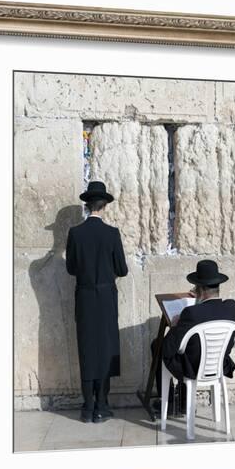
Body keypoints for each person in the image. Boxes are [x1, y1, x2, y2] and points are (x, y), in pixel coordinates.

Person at [66, 181, 128, 423]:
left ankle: (87, 406)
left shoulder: (75, 233)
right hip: (106, 298)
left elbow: (71, 268)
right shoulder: (112, 234)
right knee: (106, 348)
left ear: (87, 205)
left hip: (84, 297)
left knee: (87, 347)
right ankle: (102, 405)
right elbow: (122, 269)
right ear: (104, 206)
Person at [151, 259, 235, 412]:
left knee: (157, 345)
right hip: (218, 365)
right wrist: (199, 301)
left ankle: (170, 401)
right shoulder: (232, 308)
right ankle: (185, 402)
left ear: (200, 290)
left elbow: (167, 349)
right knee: (190, 347)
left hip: (193, 369)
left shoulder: (191, 313)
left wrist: (177, 324)